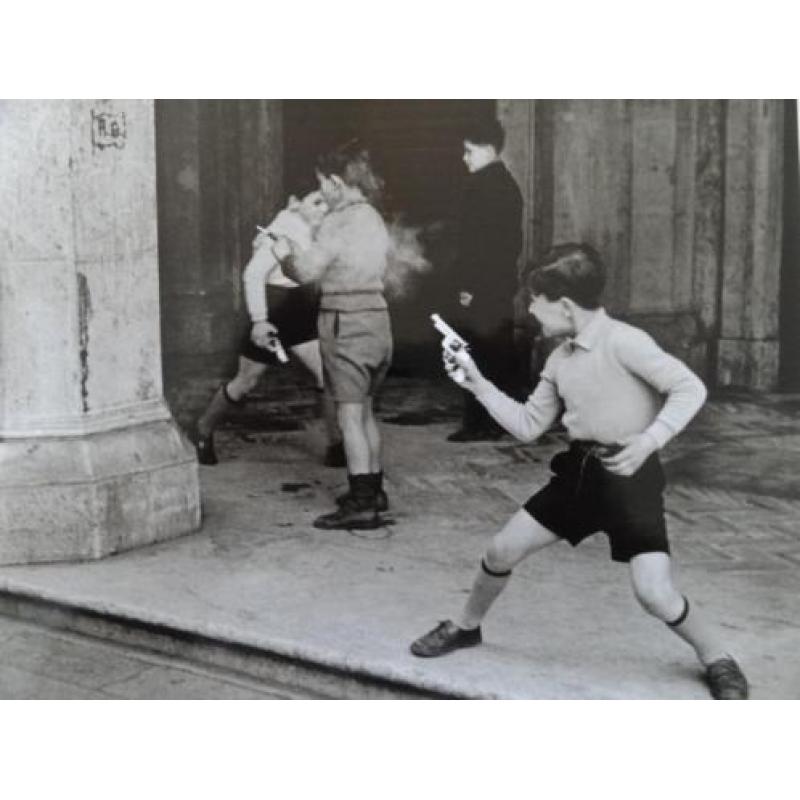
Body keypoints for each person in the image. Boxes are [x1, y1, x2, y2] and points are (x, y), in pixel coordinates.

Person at [411, 243, 749, 700]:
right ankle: (467, 626)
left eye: (536, 300)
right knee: (500, 551)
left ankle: (718, 657)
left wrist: (649, 440)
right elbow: (530, 427)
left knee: (654, 594)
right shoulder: (558, 357)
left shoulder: (626, 342)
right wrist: (479, 384)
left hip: (632, 481)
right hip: (579, 476)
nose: (530, 310)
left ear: (565, 305)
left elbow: (690, 388)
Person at [273, 140, 392, 530]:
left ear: (337, 182)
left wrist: (284, 252)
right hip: (377, 319)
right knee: (367, 410)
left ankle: (361, 505)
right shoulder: (372, 215)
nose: (321, 191)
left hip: (346, 322)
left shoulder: (338, 220)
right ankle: (372, 490)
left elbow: (306, 271)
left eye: (323, 183)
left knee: (349, 416)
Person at [194, 188, 344, 468]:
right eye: (316, 202)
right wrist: (260, 320)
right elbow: (252, 274)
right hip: (274, 309)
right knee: (245, 382)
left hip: (300, 307)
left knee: (328, 375)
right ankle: (203, 430)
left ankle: (337, 444)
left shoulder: (314, 227)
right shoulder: (282, 229)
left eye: (326, 202)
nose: (323, 209)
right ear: (294, 203)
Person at [447, 117, 524, 442]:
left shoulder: (483, 187)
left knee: (478, 354)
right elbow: (509, 245)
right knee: (495, 353)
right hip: (500, 284)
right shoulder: (507, 184)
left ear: (489, 149)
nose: (464, 158)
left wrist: (469, 286)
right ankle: (495, 421)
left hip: (483, 286)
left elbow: (476, 245)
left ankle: (480, 424)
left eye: (469, 151)